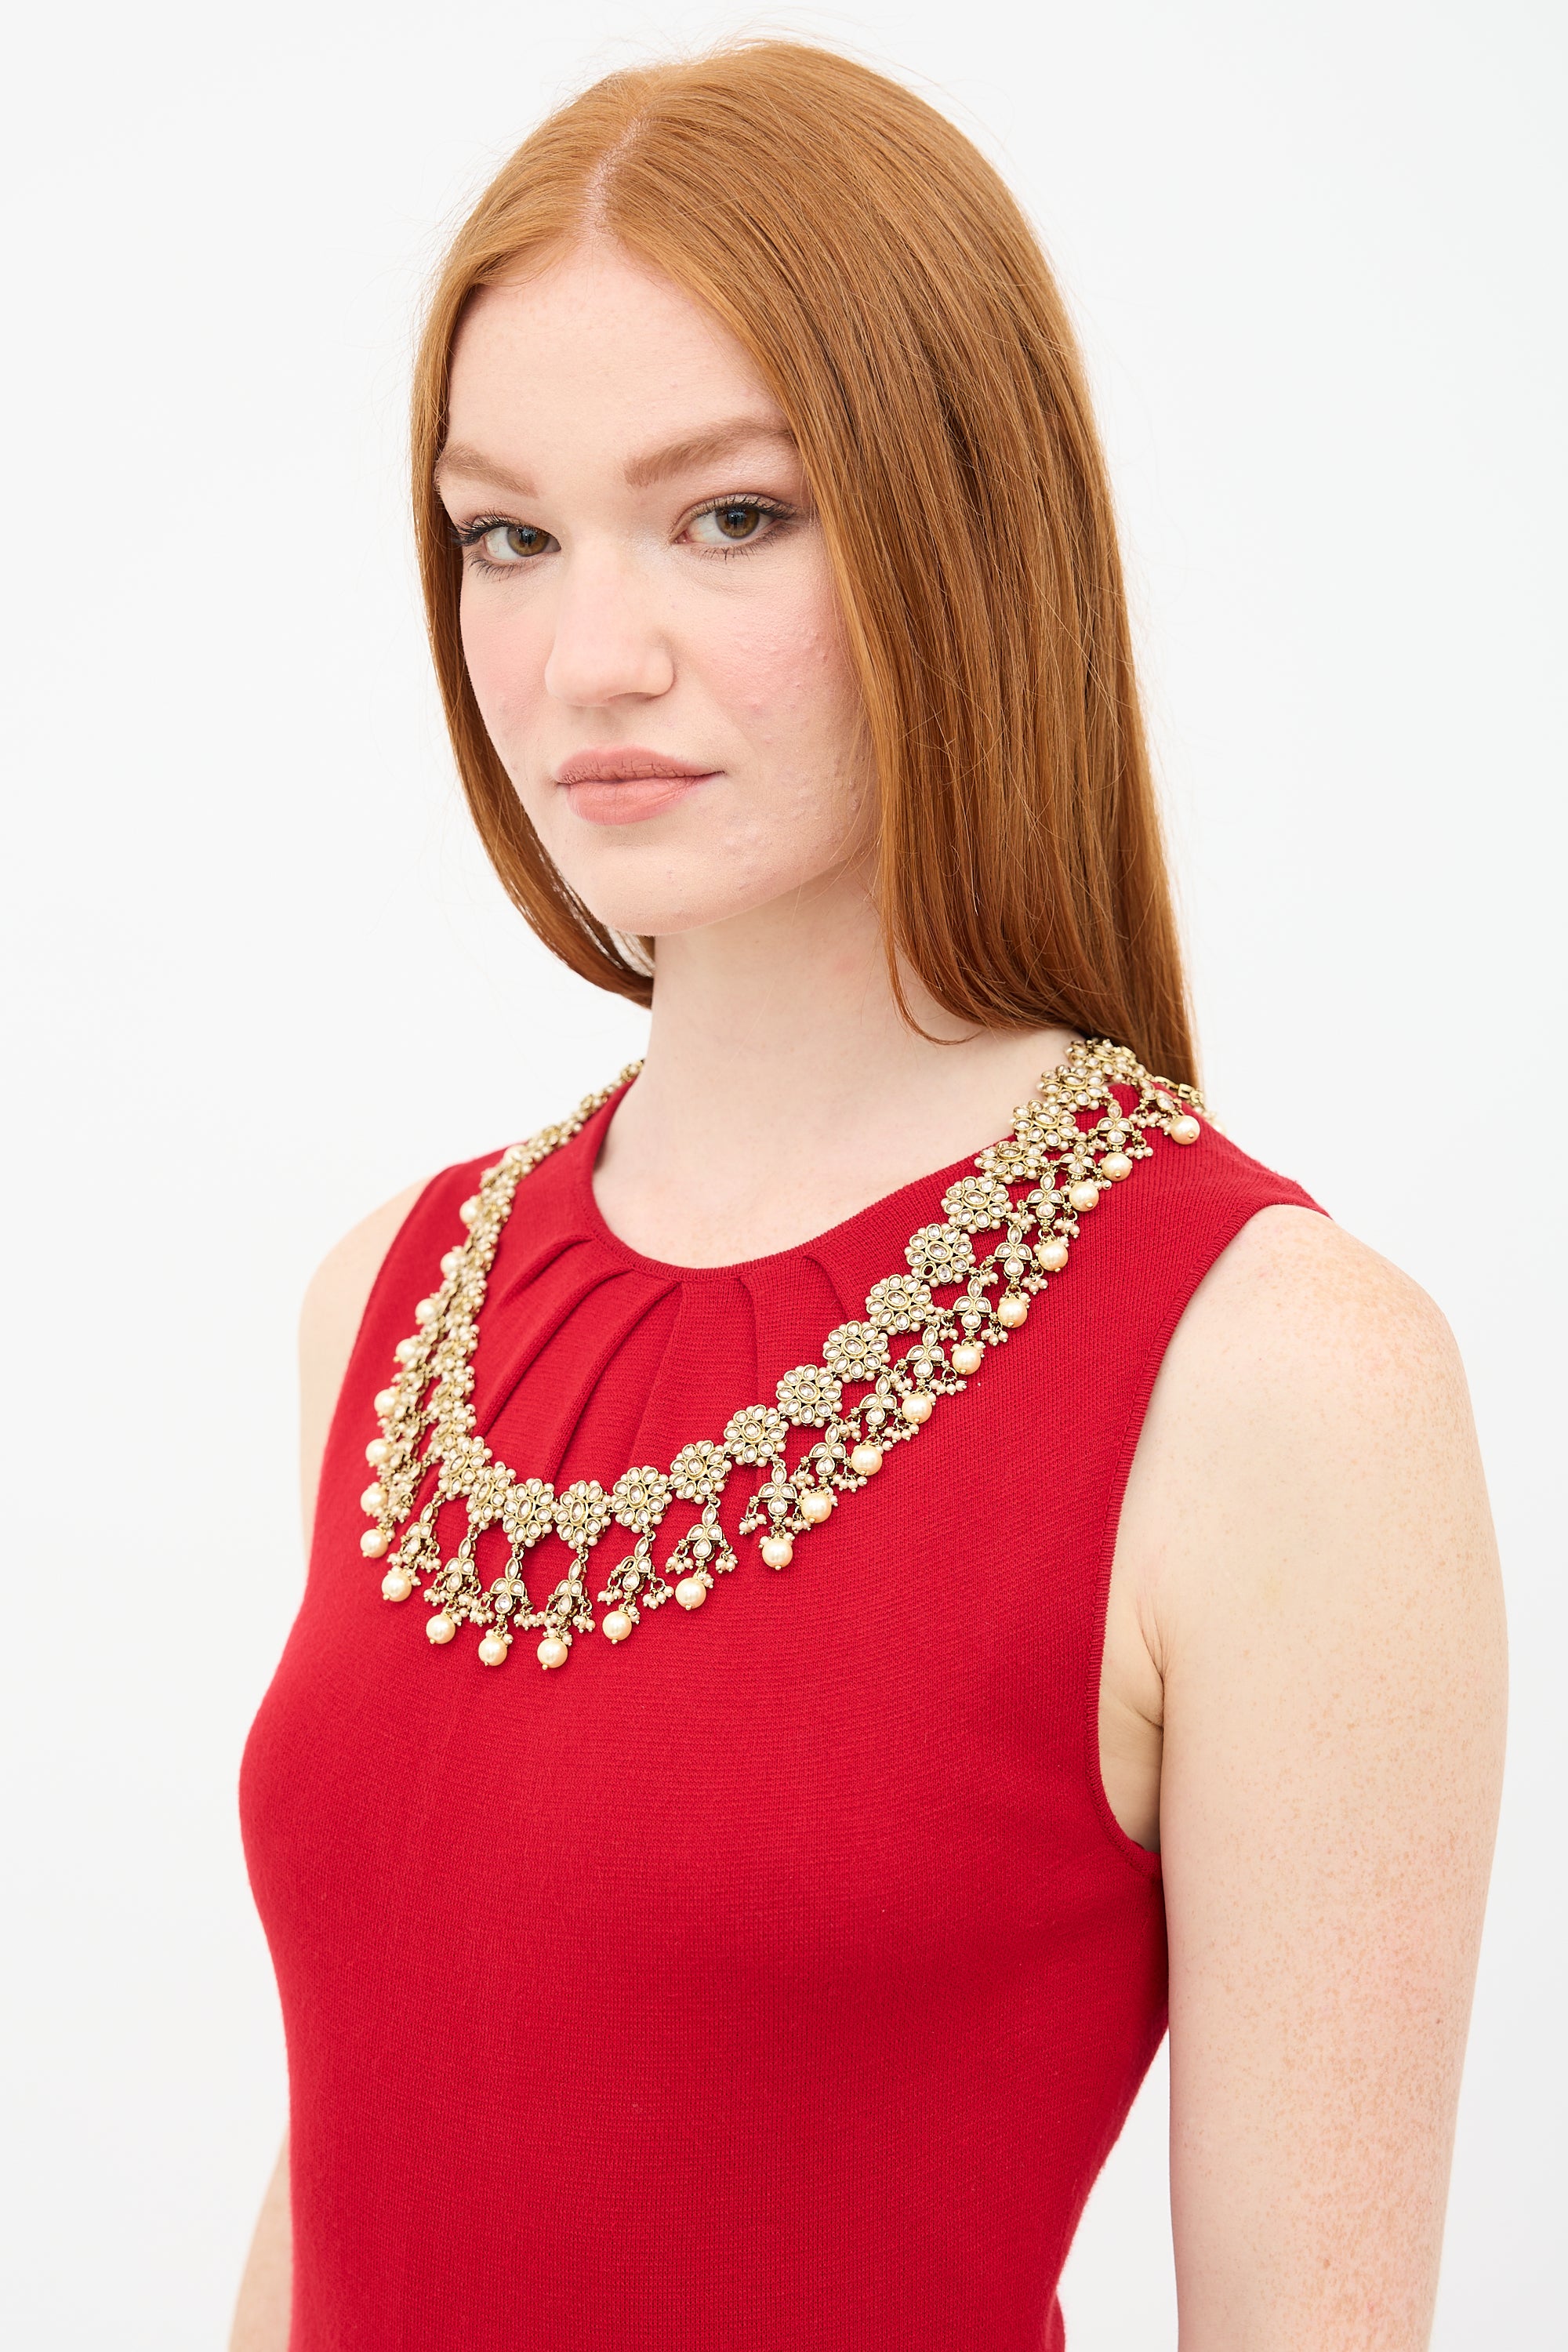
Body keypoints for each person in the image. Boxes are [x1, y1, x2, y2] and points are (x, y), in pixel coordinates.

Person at [231, 42, 1505, 2352]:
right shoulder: (386, 1302)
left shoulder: (1277, 1376)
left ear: (961, 527)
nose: (588, 657)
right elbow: (341, 2199)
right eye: (507, 534)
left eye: (730, 517)